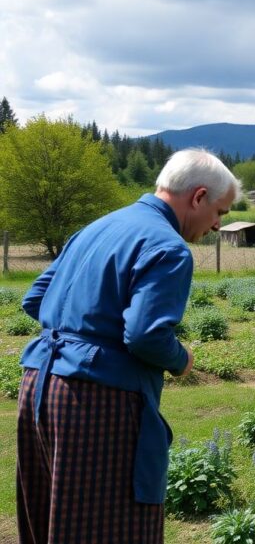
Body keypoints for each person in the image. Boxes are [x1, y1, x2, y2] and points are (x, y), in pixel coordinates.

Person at [16, 148, 240, 543]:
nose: (218, 224)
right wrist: (181, 358)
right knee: (110, 525)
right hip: (96, 398)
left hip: (38, 386)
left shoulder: (97, 227)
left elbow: (35, 299)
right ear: (198, 197)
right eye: (220, 211)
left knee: (51, 516)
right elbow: (145, 335)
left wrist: (79, 328)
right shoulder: (169, 248)